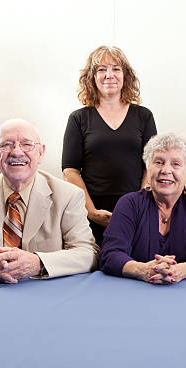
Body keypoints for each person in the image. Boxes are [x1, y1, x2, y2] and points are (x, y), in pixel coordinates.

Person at [0, 119, 99, 283]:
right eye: (6, 145)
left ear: (40, 153)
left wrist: (38, 263)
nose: (16, 152)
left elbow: (88, 253)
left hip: (45, 294)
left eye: (27, 144)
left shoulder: (69, 195)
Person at [100, 133, 186, 284]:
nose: (166, 170)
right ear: (148, 168)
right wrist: (143, 270)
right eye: (159, 162)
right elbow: (110, 254)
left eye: (176, 164)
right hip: (135, 293)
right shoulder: (129, 203)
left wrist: (180, 271)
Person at [62, 45, 157, 246]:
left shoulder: (144, 116)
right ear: (92, 77)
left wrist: (141, 205)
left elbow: (152, 165)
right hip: (90, 216)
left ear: (126, 76)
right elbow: (70, 171)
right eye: (101, 69)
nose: (109, 75)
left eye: (116, 68)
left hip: (137, 214)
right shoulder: (78, 118)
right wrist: (92, 212)